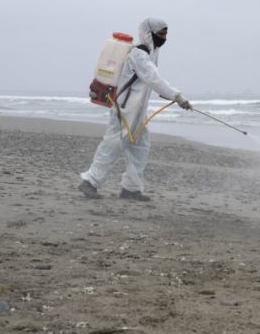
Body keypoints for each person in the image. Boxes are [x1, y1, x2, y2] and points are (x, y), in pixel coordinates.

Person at [78, 17, 192, 201]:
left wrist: (175, 96)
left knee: (140, 148)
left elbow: (151, 81)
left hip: (137, 111)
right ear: (149, 32)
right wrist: (177, 97)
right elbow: (154, 79)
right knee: (112, 145)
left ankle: (131, 188)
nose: (164, 37)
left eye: (165, 33)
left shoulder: (151, 53)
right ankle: (90, 182)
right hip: (123, 109)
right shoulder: (138, 54)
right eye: (161, 33)